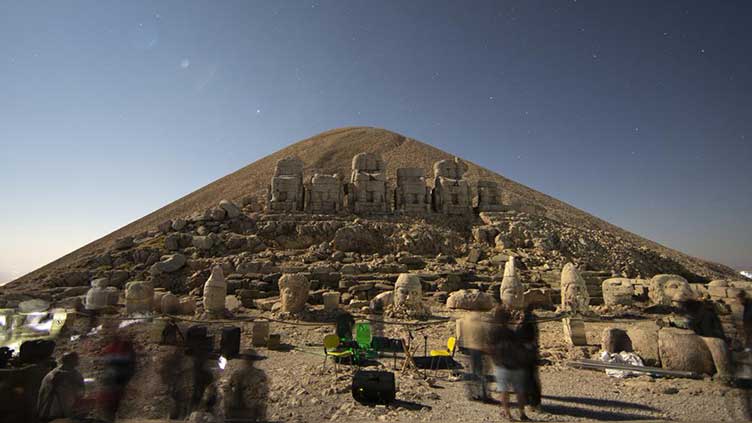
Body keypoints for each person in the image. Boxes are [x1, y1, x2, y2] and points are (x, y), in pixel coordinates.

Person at [490, 305, 529, 421]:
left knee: (504, 391)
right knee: (519, 391)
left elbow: (490, 347)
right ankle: (522, 413)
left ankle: (507, 412)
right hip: (515, 363)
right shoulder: (513, 331)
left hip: (502, 363)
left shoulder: (494, 331)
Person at [98, 329, 136, 422]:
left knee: (112, 403)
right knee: (110, 403)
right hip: (115, 379)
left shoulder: (118, 349)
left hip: (116, 379)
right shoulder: (117, 349)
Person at [37, 352, 85, 422]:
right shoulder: (60, 375)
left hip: (50, 413)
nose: (78, 361)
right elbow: (79, 393)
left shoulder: (53, 374)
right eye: (76, 359)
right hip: (55, 413)